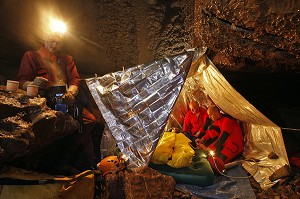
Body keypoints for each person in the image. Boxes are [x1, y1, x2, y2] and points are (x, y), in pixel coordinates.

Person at [17, 24, 97, 174]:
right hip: (43, 101)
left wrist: (71, 93)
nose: (55, 45)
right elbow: (22, 81)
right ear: (44, 38)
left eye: (58, 42)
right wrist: (33, 84)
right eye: (52, 41)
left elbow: (75, 80)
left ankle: (64, 157)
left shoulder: (66, 59)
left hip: (64, 99)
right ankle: (46, 162)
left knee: (88, 120)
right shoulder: (31, 56)